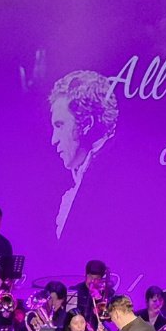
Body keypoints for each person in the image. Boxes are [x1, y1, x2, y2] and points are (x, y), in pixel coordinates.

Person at [48, 69, 119, 239]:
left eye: (60, 126)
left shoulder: (110, 180)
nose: (54, 140)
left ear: (87, 124)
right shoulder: (87, 175)